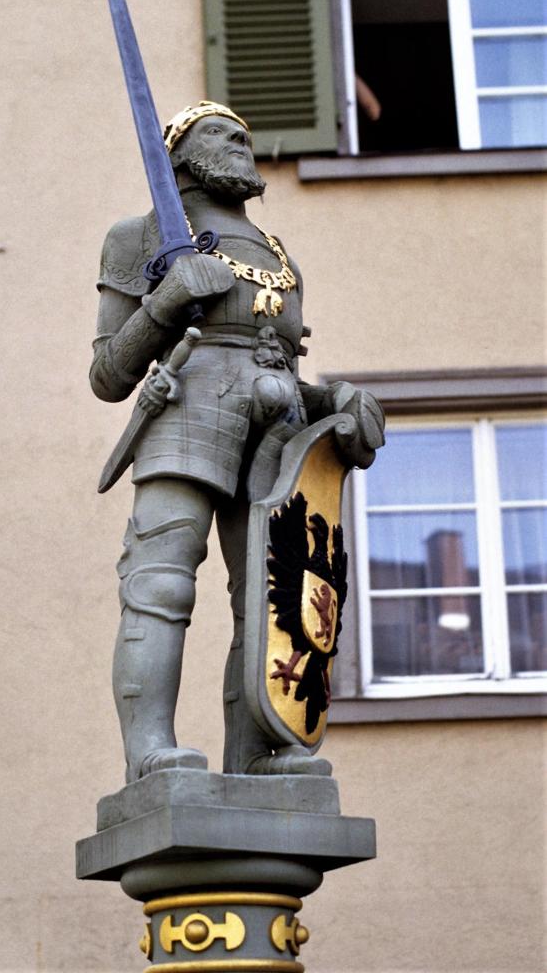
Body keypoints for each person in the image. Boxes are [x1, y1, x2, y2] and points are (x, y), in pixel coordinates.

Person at [90, 101, 384, 782]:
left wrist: (333, 401)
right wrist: (165, 303)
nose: (241, 145)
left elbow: (279, 363)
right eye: (221, 134)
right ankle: (151, 751)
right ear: (181, 157)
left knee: (274, 597)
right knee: (160, 582)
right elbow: (108, 374)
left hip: (278, 430)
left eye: (245, 136)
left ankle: (260, 754)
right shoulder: (140, 235)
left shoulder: (280, 255)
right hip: (188, 408)